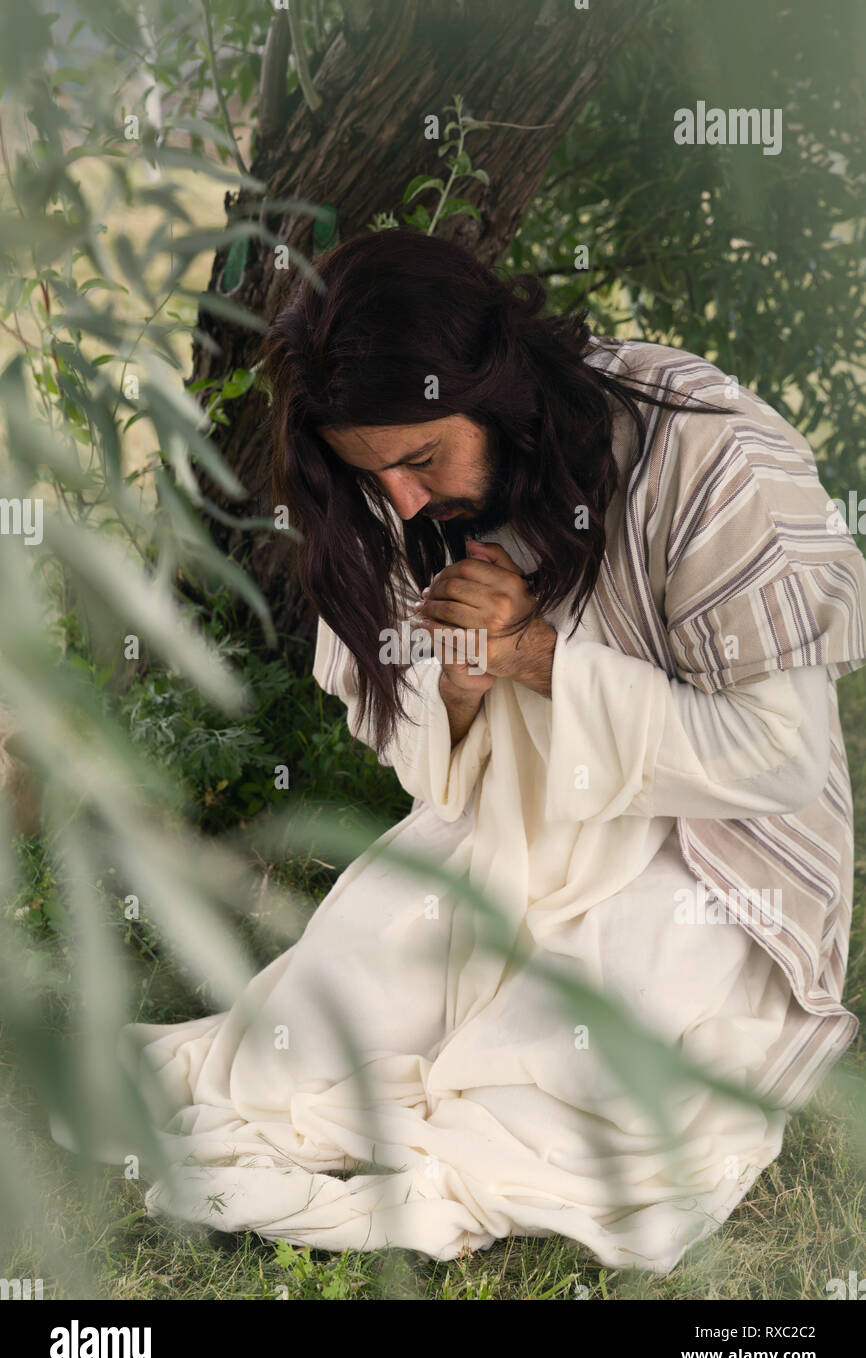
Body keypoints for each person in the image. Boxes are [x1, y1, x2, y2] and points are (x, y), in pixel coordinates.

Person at [80, 230, 866, 1274]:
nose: (402, 501)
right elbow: (425, 769)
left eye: (419, 459)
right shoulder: (397, 478)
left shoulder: (705, 454)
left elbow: (776, 759)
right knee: (307, 1047)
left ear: (496, 389)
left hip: (706, 861)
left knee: (550, 1089)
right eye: (375, 473)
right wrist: (457, 682)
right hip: (507, 835)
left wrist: (540, 655)